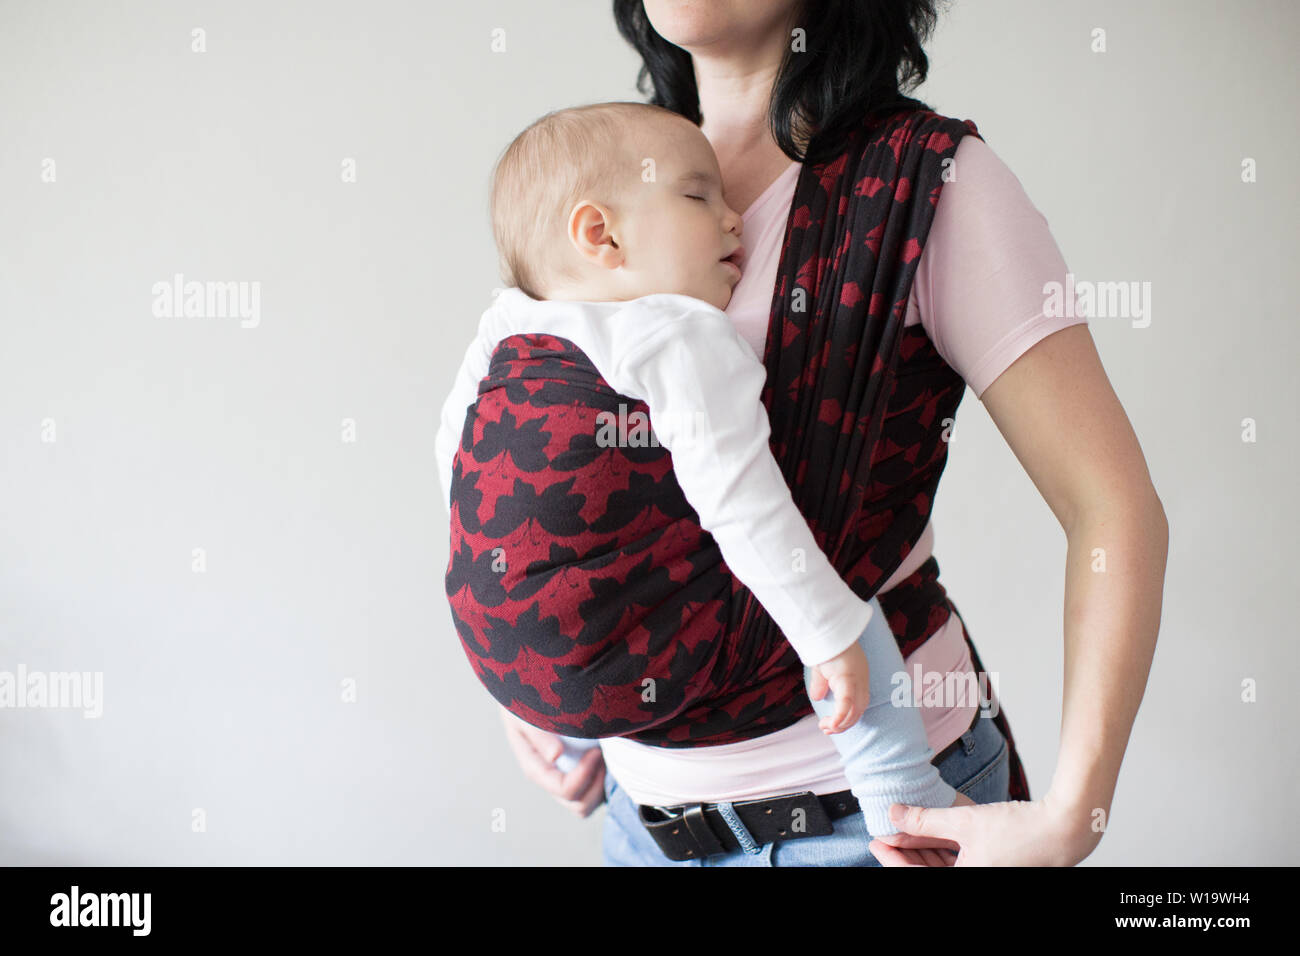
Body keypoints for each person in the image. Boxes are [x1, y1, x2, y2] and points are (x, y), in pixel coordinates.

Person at [492, 0, 1168, 866]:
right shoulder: (605, 182)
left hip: (879, 824)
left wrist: (1077, 816)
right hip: (640, 827)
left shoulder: (927, 181)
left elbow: (1112, 507)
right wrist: (532, 683)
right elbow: (524, 456)